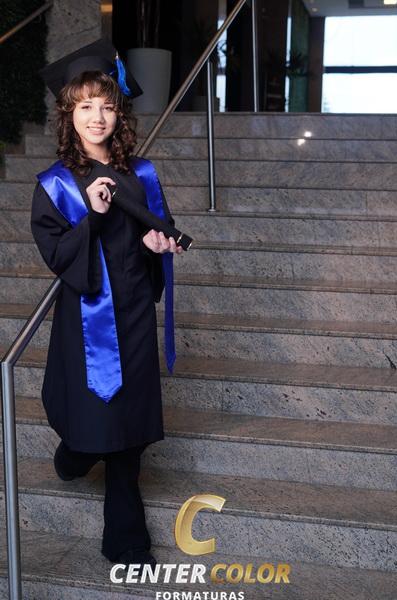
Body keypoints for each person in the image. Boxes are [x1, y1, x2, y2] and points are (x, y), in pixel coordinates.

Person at [30, 38, 183, 569]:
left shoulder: (142, 175)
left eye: (107, 105)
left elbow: (155, 239)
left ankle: (127, 542)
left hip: (134, 313)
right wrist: (92, 217)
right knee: (96, 424)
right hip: (86, 322)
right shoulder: (55, 185)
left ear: (120, 113)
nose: (97, 117)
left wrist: (155, 247)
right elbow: (58, 257)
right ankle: (76, 453)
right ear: (68, 115)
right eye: (85, 106)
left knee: (127, 438)